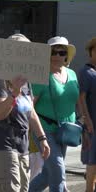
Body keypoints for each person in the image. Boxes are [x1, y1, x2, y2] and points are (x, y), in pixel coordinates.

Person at [0, 33, 50, 192]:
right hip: (3, 142)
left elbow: (31, 111)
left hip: (23, 144)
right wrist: (14, 93)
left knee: (23, 189)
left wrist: (42, 138)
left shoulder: (26, 80)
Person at [30, 36, 79, 192]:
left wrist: (84, 121)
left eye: (61, 52)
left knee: (48, 174)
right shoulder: (41, 76)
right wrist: (35, 133)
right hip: (45, 130)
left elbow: (78, 100)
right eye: (53, 52)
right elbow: (30, 106)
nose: (57, 56)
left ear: (66, 55)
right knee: (58, 171)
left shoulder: (72, 74)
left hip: (66, 131)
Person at [79, 37, 96, 192]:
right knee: (93, 162)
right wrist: (87, 120)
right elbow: (81, 98)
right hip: (93, 125)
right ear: (91, 51)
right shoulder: (86, 72)